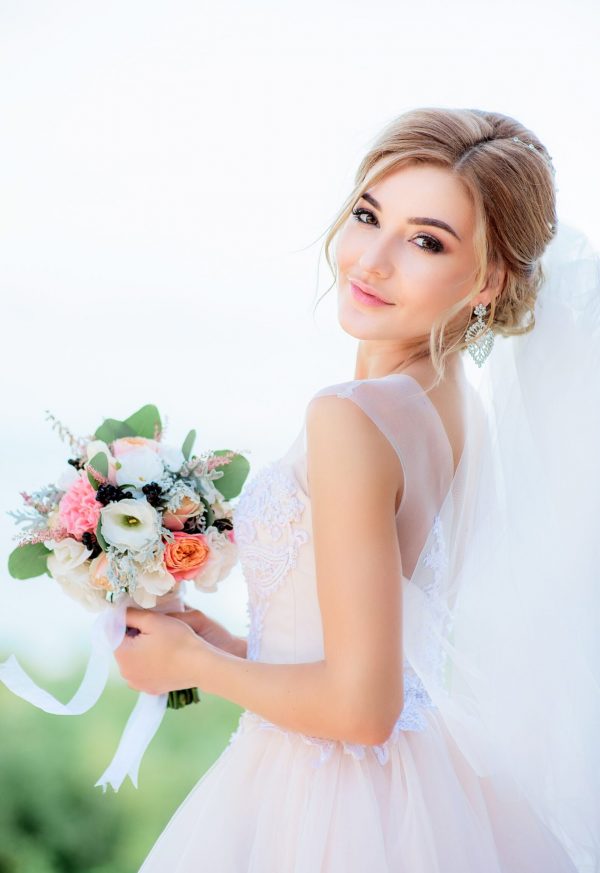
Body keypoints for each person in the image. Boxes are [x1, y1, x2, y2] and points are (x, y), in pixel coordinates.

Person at [114, 107, 598, 872]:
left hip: (325, 806)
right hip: (417, 793)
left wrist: (190, 664)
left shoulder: (350, 417)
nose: (370, 260)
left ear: (491, 278)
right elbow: (375, 653)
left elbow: (362, 710)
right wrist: (238, 647)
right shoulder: (453, 401)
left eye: (426, 240)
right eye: (369, 215)